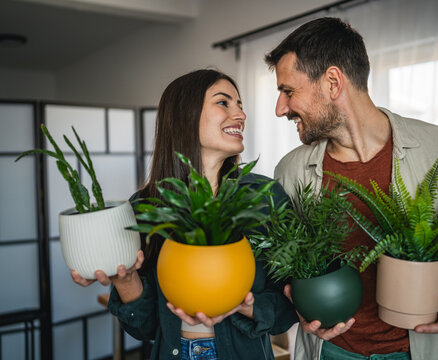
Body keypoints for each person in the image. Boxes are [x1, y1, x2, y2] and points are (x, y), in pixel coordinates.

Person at [264, 17, 438, 360]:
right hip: (330, 351)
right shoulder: (290, 171)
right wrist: (298, 305)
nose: (281, 109)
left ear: (333, 82)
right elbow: (287, 271)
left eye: (288, 91)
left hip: (421, 350)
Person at [71, 69, 298, 360]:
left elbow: (292, 304)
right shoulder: (145, 207)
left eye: (240, 104)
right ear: (185, 116)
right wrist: (126, 282)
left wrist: (248, 307)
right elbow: (145, 327)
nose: (240, 114)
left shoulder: (265, 196)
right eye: (223, 102)